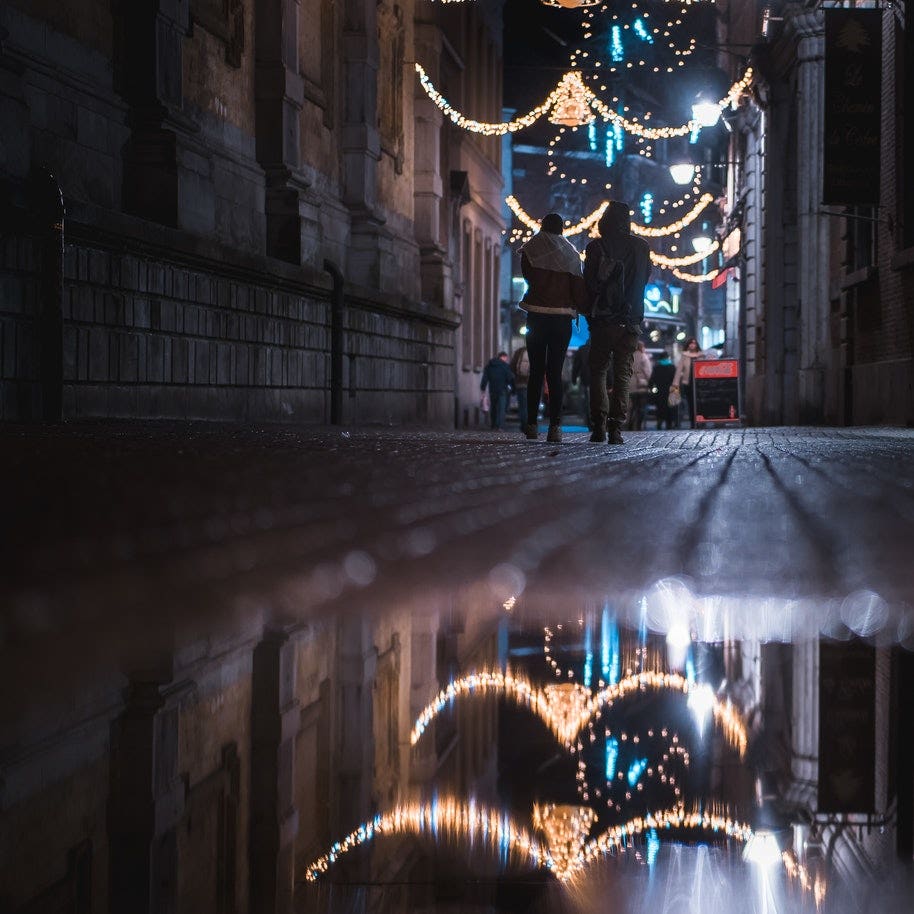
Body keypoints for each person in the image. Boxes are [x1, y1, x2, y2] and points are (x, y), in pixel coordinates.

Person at [583, 201, 651, 444]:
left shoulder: (596, 246)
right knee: (623, 373)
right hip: (631, 320)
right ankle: (616, 428)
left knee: (598, 371)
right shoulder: (642, 247)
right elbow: (644, 279)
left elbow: (589, 283)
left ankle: (598, 426)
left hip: (603, 319)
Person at [518, 213, 589, 443]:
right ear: (561, 229)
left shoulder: (532, 248)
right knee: (554, 372)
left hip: (536, 314)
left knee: (536, 371)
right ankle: (555, 427)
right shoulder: (570, 252)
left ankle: (531, 424)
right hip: (561, 318)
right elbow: (578, 286)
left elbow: (527, 276)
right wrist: (580, 306)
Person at [672, 337, 703, 429]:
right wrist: (675, 383)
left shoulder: (701, 355)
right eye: (691, 343)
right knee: (690, 403)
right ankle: (693, 422)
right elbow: (679, 370)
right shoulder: (685, 355)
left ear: (697, 345)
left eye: (694, 343)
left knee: (700, 403)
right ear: (688, 345)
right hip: (688, 383)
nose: (692, 345)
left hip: (700, 383)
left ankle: (701, 421)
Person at [480, 351, 514, 430]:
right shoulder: (505, 366)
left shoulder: (489, 366)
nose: (506, 359)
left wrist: (483, 387)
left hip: (493, 389)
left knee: (494, 408)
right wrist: (512, 388)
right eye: (506, 358)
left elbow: (485, 378)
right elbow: (510, 378)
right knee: (501, 408)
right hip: (502, 390)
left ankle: (493, 424)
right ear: (503, 357)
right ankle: (500, 426)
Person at [627, 340, 653, 431]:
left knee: (633, 406)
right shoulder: (643, 357)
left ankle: (630, 424)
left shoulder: (629, 356)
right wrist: (650, 382)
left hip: (631, 385)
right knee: (641, 407)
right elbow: (648, 372)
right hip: (641, 385)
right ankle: (638, 425)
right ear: (642, 347)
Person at [649, 350, 677, 429]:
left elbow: (652, 379)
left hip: (660, 391)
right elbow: (675, 379)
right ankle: (669, 424)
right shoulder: (672, 367)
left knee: (660, 407)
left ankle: (659, 422)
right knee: (670, 408)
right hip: (670, 390)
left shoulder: (657, 367)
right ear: (668, 357)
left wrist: (651, 388)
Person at [571, 341, 592, 428]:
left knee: (587, 401)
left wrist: (574, 378)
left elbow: (576, 365)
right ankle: (598, 421)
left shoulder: (582, 349)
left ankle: (589, 421)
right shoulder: (601, 346)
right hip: (599, 378)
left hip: (586, 378)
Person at [510, 346, 530, 432]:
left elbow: (512, 367)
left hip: (520, 383)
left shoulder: (519, 351)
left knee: (522, 406)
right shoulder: (538, 349)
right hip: (532, 384)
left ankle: (524, 425)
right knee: (532, 405)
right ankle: (531, 425)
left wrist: (516, 379)